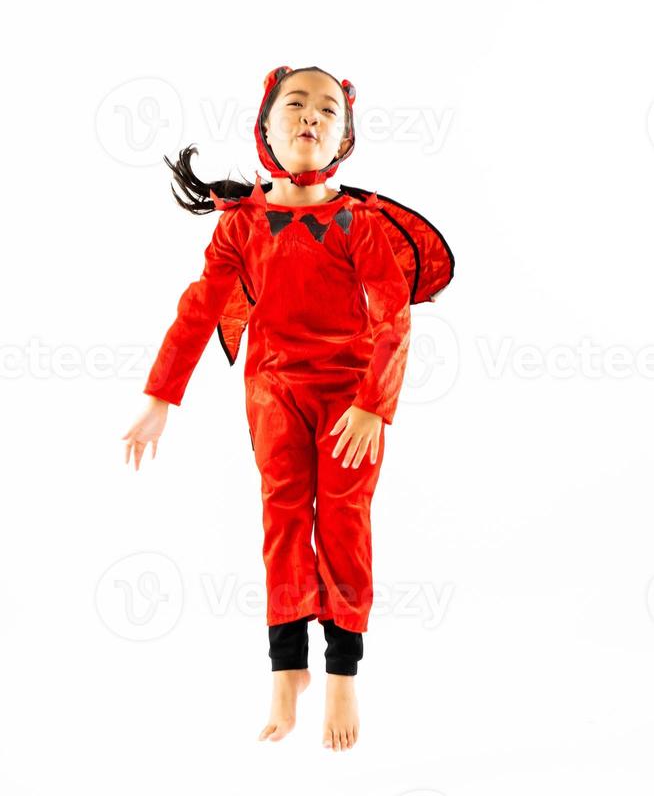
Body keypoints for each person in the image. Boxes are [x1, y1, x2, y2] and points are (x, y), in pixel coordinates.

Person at [121, 65, 455, 751]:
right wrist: (160, 396)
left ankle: (341, 669)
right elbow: (199, 309)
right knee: (281, 515)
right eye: (296, 105)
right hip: (273, 390)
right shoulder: (243, 224)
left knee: (342, 520)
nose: (311, 116)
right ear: (265, 127)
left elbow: (393, 321)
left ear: (344, 138)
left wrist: (372, 405)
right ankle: (286, 665)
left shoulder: (357, 224)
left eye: (327, 110)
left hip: (349, 397)